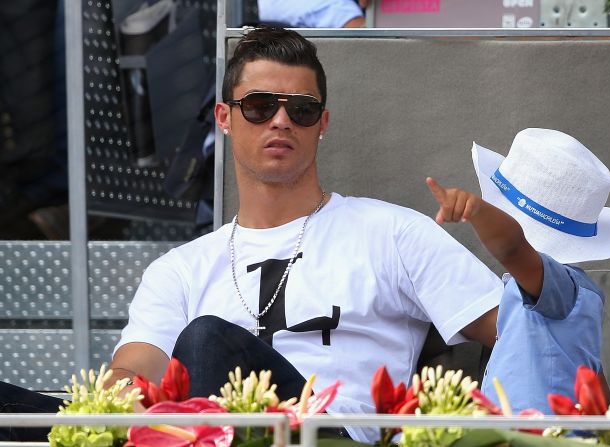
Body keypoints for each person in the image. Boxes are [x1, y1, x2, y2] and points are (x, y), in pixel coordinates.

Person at [105, 26, 502, 443]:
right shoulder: (179, 270)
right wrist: (124, 397)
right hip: (214, 430)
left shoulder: (393, 233)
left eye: (302, 109)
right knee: (31, 404)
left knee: (207, 339)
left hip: (335, 434)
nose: (280, 120)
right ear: (225, 118)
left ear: (322, 123)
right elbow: (131, 371)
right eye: (259, 107)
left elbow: (512, 331)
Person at [426, 128, 610, 414]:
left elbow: (512, 248)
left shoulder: (560, 285)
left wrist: (475, 209)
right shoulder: (577, 295)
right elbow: (591, 373)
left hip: (537, 433)